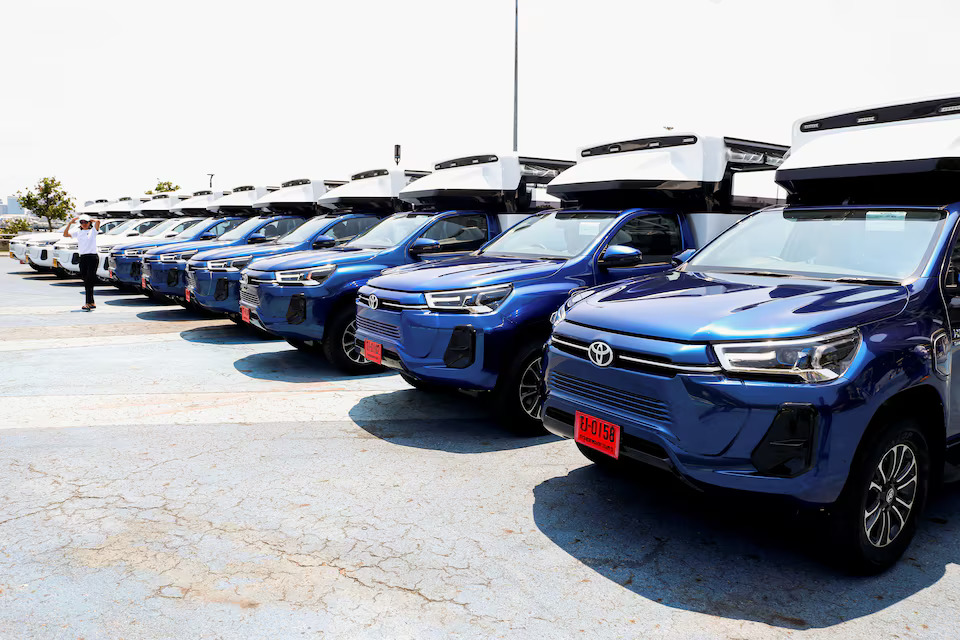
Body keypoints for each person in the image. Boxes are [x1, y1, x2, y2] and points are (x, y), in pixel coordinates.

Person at [63, 214, 102, 311]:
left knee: (89, 280)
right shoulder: (78, 232)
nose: (84, 224)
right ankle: (91, 302)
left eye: (85, 222)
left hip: (92, 257)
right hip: (83, 258)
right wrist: (70, 223)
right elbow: (65, 234)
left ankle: (88, 303)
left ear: (89, 223)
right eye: (82, 222)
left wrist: (91, 220)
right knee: (86, 280)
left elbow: (98, 222)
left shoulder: (93, 231)